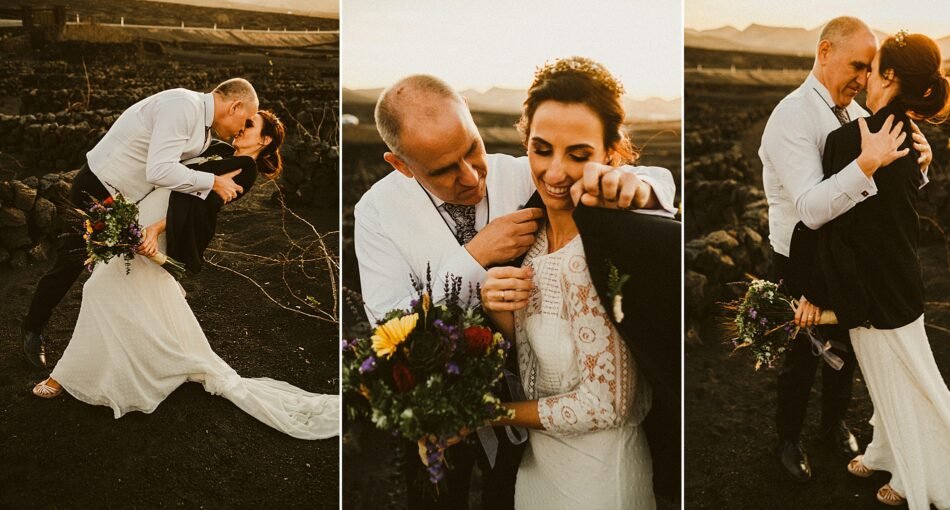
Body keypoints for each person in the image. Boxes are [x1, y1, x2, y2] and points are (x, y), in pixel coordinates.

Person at [354, 74, 677, 509]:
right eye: (444, 170)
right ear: (401, 165)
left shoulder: (526, 170)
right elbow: (391, 327)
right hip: (441, 399)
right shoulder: (376, 214)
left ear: (470, 115)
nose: (470, 177)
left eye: (471, 149)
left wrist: (645, 187)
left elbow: (613, 166)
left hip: (536, 414)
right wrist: (473, 259)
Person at [803, 31, 950, 509]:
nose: (863, 77)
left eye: (872, 66)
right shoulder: (907, 133)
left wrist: (818, 291)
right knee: (894, 380)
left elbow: (834, 231)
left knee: (898, 382)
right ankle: (885, 448)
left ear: (889, 76)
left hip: (872, 288)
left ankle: (910, 472)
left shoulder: (850, 140)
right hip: (899, 279)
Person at [30, 111, 339, 441]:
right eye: (243, 121)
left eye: (250, 126)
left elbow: (201, 204)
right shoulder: (220, 150)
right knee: (128, 293)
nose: (241, 128)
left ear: (263, 141)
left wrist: (154, 229)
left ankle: (63, 376)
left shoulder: (245, 169)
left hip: (158, 226)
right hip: (145, 214)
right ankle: (143, 364)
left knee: (99, 289)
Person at [481, 56, 676, 510]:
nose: (554, 172)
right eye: (541, 148)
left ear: (611, 154)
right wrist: (497, 312)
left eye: (579, 154)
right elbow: (540, 363)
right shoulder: (525, 241)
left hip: (599, 478)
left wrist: (489, 415)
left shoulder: (613, 246)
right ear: (524, 143)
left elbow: (608, 405)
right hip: (536, 469)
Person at [758, 16, 934, 482]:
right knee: (802, 353)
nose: (862, 79)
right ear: (824, 52)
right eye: (856, 66)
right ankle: (789, 439)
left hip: (846, 256)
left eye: (868, 69)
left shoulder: (857, 116)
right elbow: (812, 208)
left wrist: (922, 166)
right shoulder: (790, 117)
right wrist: (866, 163)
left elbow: (887, 192)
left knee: (848, 343)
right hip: (798, 256)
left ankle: (832, 426)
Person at [19, 79, 255, 368]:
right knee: (70, 263)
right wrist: (212, 182)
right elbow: (159, 170)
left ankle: (129, 349)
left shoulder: (204, 129)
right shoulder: (182, 106)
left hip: (129, 200)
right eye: (244, 121)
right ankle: (32, 329)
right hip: (98, 188)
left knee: (121, 272)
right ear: (235, 105)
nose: (242, 129)